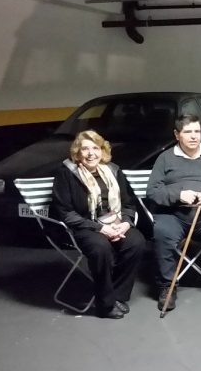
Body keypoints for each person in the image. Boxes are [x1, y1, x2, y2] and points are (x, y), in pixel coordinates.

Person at [51, 130, 145, 319]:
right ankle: (105, 305)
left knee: (136, 242)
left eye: (95, 148)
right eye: (85, 149)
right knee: (101, 247)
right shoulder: (66, 172)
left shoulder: (113, 170)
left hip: (115, 222)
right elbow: (65, 213)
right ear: (77, 152)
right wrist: (100, 228)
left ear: (103, 151)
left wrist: (126, 224)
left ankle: (117, 296)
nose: (91, 153)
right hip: (85, 226)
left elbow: (128, 204)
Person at [147, 114, 201, 311]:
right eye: (188, 132)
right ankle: (167, 287)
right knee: (162, 234)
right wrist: (178, 195)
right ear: (177, 134)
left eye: (197, 131)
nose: (194, 136)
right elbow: (153, 191)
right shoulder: (165, 158)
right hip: (173, 214)